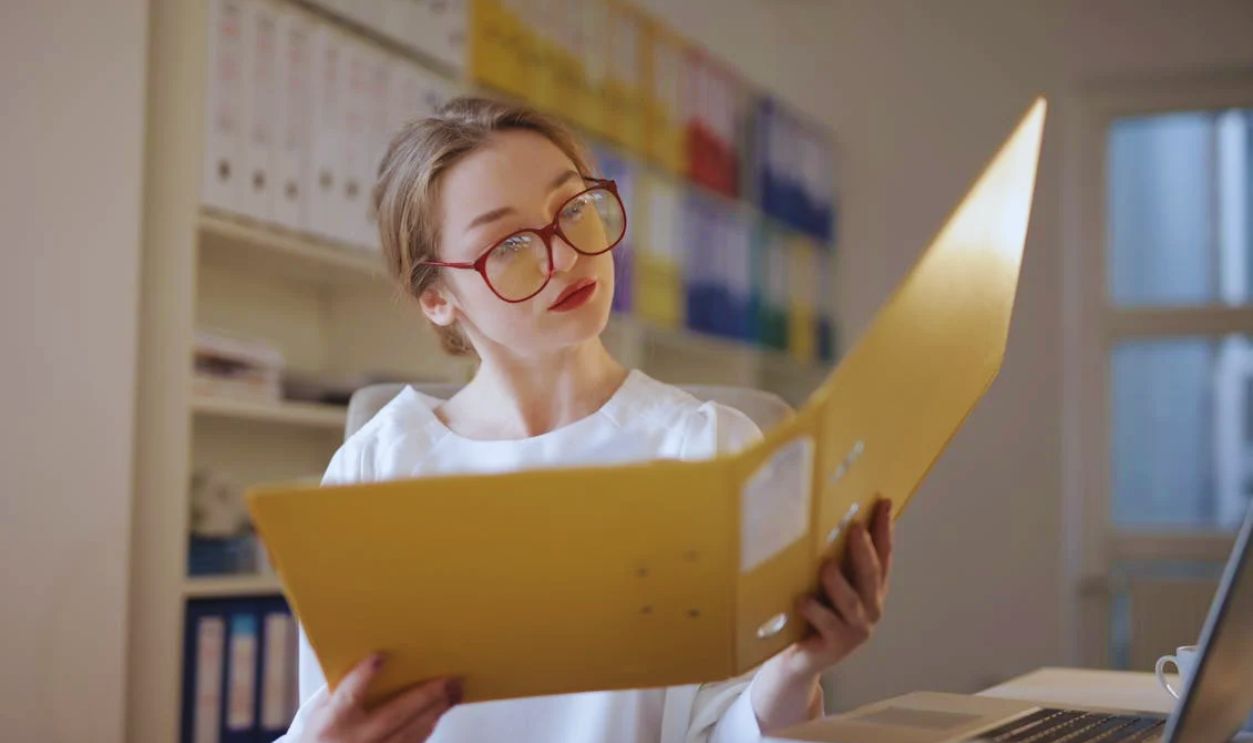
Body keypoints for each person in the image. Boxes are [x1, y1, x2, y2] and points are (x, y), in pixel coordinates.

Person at [282, 97, 894, 743]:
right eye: (509, 244)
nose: (564, 256)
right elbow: (333, 720)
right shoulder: (375, 466)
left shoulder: (710, 448)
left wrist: (796, 670)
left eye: (573, 209)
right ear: (437, 297)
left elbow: (727, 731)